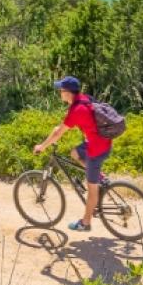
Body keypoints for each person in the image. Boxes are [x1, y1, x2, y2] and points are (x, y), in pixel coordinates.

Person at [32, 76, 112, 232]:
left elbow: (57, 132)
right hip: (100, 142)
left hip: (96, 149)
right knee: (75, 153)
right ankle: (100, 177)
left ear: (68, 92)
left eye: (61, 90)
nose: (60, 93)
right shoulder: (84, 99)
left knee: (91, 190)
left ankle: (85, 223)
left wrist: (42, 146)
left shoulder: (77, 110)